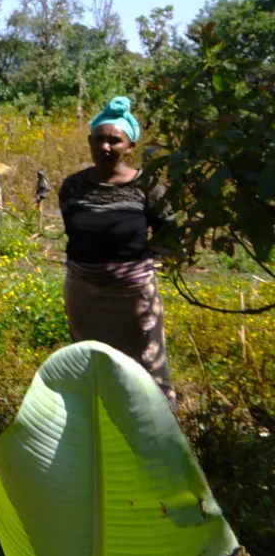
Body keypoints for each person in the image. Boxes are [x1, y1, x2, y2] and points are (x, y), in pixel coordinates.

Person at [58, 96, 176, 405]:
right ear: (90, 141)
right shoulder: (73, 186)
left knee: (147, 366)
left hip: (134, 294)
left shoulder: (147, 186)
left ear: (130, 146)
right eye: (99, 139)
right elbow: (74, 231)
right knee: (90, 363)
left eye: (115, 141)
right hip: (84, 292)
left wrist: (141, 266)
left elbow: (169, 232)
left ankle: (159, 433)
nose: (106, 147)